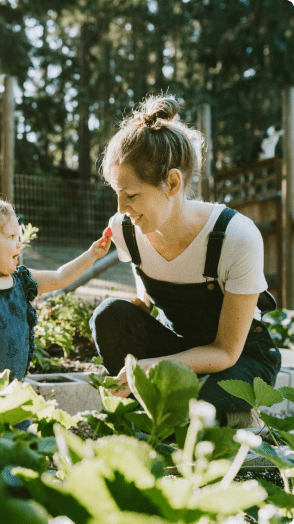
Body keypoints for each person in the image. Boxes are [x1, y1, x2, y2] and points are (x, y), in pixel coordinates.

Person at [90, 94, 281, 428]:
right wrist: (143, 304)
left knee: (189, 405)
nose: (121, 208)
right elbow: (148, 280)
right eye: (116, 193)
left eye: (131, 195)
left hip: (240, 360)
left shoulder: (236, 236)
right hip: (185, 349)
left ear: (173, 182)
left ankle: (236, 416)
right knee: (110, 316)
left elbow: (225, 351)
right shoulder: (126, 229)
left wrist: (157, 367)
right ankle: (154, 413)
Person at [0, 187, 111, 384]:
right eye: (11, 237)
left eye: (18, 237)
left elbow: (60, 277)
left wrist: (92, 254)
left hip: (15, 381)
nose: (19, 244)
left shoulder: (22, 280)